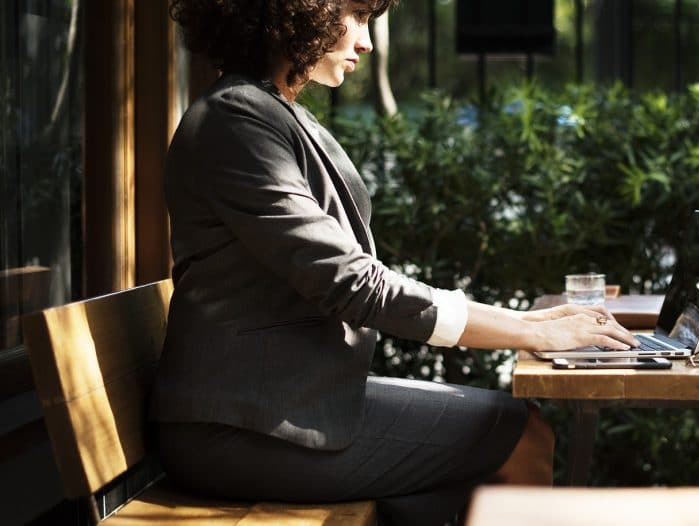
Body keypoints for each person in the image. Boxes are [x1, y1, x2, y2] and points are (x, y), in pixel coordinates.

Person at [150, 1, 640, 525]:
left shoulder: (270, 111)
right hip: (243, 430)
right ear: (299, 11)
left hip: (282, 407)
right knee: (521, 435)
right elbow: (354, 284)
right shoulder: (237, 119)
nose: (366, 42)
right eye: (357, 17)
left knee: (497, 447)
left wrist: (527, 322)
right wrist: (531, 334)